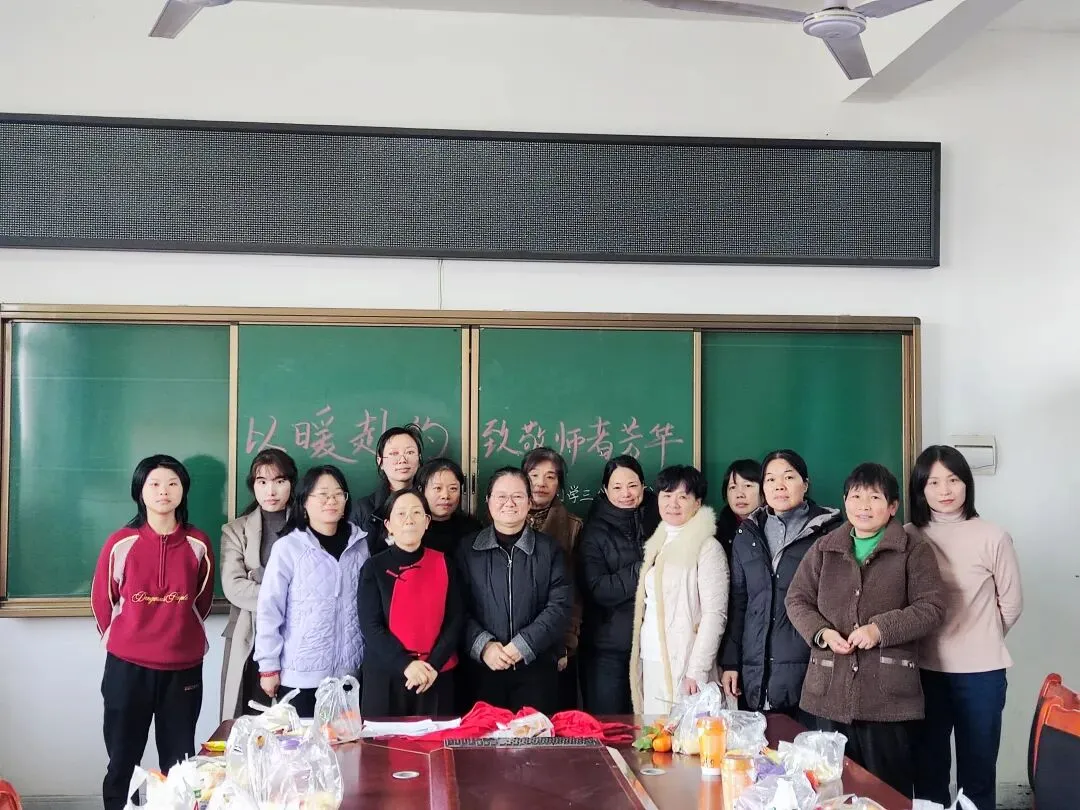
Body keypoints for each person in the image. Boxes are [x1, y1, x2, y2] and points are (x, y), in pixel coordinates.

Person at [786, 463, 946, 795]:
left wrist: (879, 630)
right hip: (828, 692)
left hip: (887, 699)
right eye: (856, 496)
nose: (864, 506)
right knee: (830, 790)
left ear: (892, 506)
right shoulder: (824, 548)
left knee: (886, 792)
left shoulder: (914, 550)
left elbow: (931, 608)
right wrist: (822, 633)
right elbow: (797, 599)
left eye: (875, 497)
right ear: (845, 501)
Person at [91, 455, 214, 810]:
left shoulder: (198, 543)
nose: (164, 491)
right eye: (155, 484)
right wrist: (123, 640)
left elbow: (202, 600)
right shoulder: (121, 542)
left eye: (173, 484)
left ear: (183, 491)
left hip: (182, 669)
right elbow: (102, 599)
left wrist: (179, 633)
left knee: (179, 763)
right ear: (140, 491)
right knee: (122, 761)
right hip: (127, 668)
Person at [907, 445, 1023, 810]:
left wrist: (980, 638)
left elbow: (1011, 604)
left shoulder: (993, 536)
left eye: (953, 480)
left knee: (977, 775)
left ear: (967, 484)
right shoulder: (908, 536)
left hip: (981, 675)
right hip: (924, 671)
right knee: (928, 774)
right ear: (920, 489)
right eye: (934, 482)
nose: (945, 490)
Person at [720, 449, 843, 718]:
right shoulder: (747, 534)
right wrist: (731, 662)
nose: (779, 486)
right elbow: (739, 603)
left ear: (805, 484)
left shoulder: (828, 533)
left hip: (810, 668)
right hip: (755, 670)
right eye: (771, 479)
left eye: (788, 477)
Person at [255, 465, 370, 718]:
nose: (332, 500)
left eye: (338, 494)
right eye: (323, 494)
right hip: (300, 676)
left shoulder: (360, 545)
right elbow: (269, 609)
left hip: (350, 677)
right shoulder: (288, 548)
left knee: (348, 741)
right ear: (304, 501)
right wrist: (268, 666)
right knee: (302, 742)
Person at [458, 467, 572, 715]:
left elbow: (559, 606)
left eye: (518, 496)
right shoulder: (467, 550)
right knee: (484, 737)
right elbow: (456, 608)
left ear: (529, 502)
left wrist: (523, 645)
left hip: (537, 669)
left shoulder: (549, 550)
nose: (509, 503)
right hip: (482, 670)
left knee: (534, 738)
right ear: (488, 501)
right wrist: (484, 646)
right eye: (501, 496)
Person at [630, 465, 728, 715]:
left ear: (697, 503)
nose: (672, 503)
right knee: (655, 730)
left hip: (685, 660)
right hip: (651, 654)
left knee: (685, 732)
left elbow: (714, 614)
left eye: (682, 497)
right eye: (666, 495)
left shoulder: (707, 548)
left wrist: (697, 669)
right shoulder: (658, 543)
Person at [358, 490, 462, 716]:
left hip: (435, 675)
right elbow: (370, 626)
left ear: (427, 522)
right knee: (384, 739)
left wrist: (432, 666)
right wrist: (405, 664)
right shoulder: (373, 567)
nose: (409, 519)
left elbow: (455, 620)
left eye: (416, 513)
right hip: (386, 678)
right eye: (401, 513)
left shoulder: (446, 563)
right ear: (388, 525)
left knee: (435, 738)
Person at [219, 448, 298, 721]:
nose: (270, 491)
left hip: (298, 637)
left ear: (291, 483)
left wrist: (259, 576)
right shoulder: (235, 530)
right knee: (249, 722)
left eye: (279, 481)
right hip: (249, 636)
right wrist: (288, 593)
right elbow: (234, 588)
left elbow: (314, 584)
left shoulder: (307, 526)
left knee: (296, 724)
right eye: (262, 482)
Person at [578, 455, 660, 715]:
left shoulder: (662, 519)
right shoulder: (593, 531)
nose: (626, 493)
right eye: (617, 487)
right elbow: (597, 588)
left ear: (643, 485)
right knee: (609, 724)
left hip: (655, 648)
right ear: (605, 489)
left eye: (632, 485)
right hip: (608, 649)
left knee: (652, 726)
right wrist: (642, 569)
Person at [522, 447, 584, 710]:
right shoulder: (502, 519)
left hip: (555, 642)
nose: (541, 483)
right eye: (534, 475)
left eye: (551, 477)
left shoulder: (573, 527)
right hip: (510, 642)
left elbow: (576, 594)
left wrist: (567, 644)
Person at [350, 424, 424, 553]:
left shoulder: (430, 503)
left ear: (419, 458)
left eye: (410, 452)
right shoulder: (364, 509)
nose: (402, 459)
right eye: (394, 453)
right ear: (380, 462)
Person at [415, 457, 482, 557]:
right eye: (438, 488)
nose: (445, 495)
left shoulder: (472, 530)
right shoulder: (412, 529)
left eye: (453, 488)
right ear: (421, 490)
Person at [714, 458, 763, 555]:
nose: (739, 494)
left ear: (764, 490)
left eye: (748, 486)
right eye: (733, 487)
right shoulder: (717, 533)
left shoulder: (777, 529)